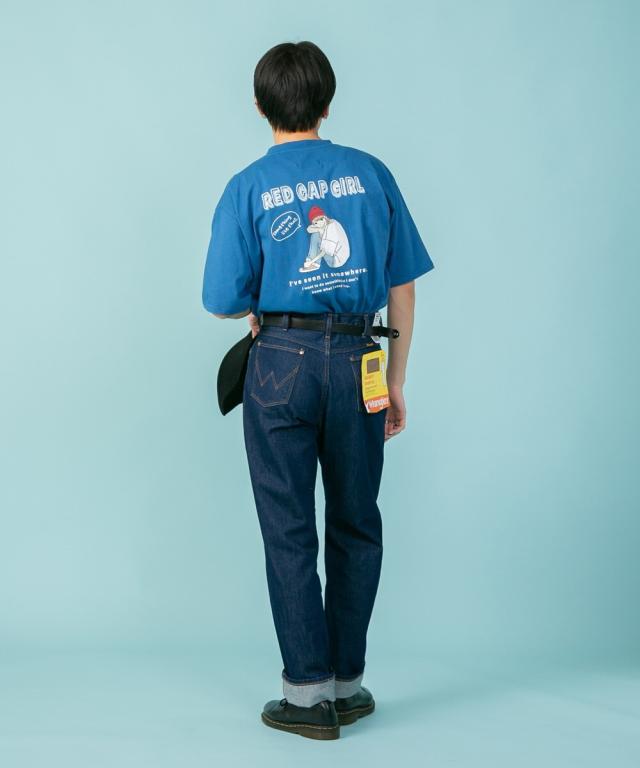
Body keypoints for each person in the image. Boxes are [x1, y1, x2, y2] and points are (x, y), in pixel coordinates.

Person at [202, 40, 434, 740]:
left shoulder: (246, 186)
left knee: (289, 529)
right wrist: (396, 380)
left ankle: (307, 696)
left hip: (279, 362)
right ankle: (348, 685)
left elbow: (220, 300)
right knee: (357, 522)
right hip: (361, 357)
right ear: (327, 103)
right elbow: (402, 285)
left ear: (259, 105)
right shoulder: (371, 173)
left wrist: (264, 303)